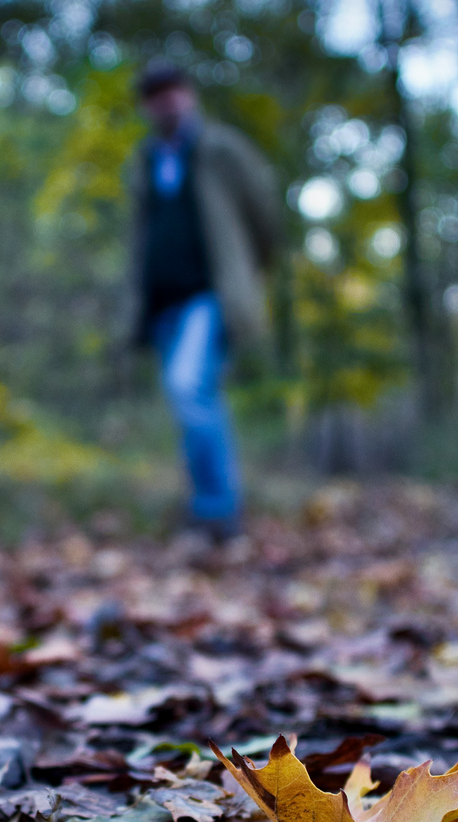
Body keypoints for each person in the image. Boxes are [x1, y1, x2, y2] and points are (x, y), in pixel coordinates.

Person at [129, 60, 280, 542]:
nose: (165, 100)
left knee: (188, 387)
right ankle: (210, 509)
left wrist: (245, 279)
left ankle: (217, 512)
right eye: (154, 94)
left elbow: (265, 216)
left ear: (189, 94)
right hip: (163, 305)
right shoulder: (146, 160)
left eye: (172, 90)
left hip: (209, 297)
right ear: (145, 105)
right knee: (193, 400)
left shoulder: (221, 149)